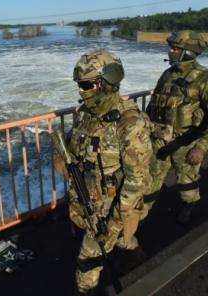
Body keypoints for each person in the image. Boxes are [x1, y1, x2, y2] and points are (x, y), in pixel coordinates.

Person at [54, 50, 152, 294]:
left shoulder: (129, 123)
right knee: (122, 240)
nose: (81, 91)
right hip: (87, 198)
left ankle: (84, 290)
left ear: (105, 83)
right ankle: (134, 254)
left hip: (110, 210)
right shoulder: (87, 114)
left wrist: (114, 222)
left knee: (87, 263)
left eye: (86, 85)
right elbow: (75, 144)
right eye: (80, 85)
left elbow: (137, 180)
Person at [144, 30, 208, 224]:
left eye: (175, 48)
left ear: (187, 52)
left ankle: (188, 206)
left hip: (186, 143)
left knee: (187, 181)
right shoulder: (167, 75)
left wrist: (202, 146)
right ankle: (140, 217)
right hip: (160, 141)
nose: (170, 52)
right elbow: (153, 105)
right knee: (150, 180)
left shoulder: (204, 80)